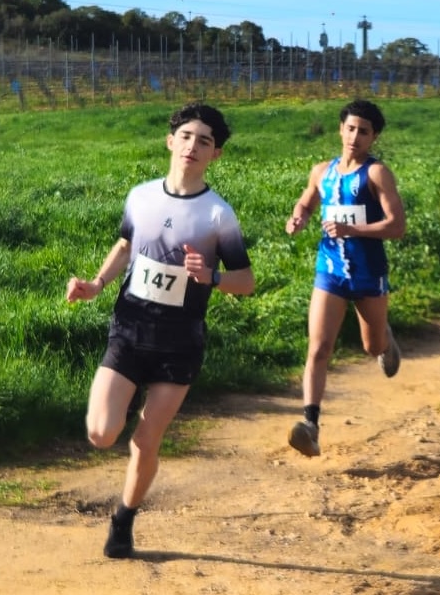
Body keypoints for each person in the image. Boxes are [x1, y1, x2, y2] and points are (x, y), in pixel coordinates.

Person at [66, 102, 255, 558]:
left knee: (146, 441)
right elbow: (126, 245)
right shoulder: (141, 196)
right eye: (187, 136)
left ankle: (124, 519)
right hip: (129, 330)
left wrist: (210, 276)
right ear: (171, 141)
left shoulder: (218, 215)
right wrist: (95, 284)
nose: (193, 146)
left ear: (216, 155)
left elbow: (245, 282)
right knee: (100, 434)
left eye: (205, 141)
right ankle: (125, 400)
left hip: (179, 341)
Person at [284, 99, 407, 458]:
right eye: (350, 128)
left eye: (364, 131)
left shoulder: (376, 174)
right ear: (340, 129)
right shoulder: (322, 171)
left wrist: (351, 228)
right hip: (330, 272)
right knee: (319, 348)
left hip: (369, 274)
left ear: (374, 137)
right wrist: (299, 218)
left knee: (371, 347)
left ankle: (385, 338)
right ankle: (310, 424)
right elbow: (306, 202)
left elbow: (397, 226)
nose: (355, 136)